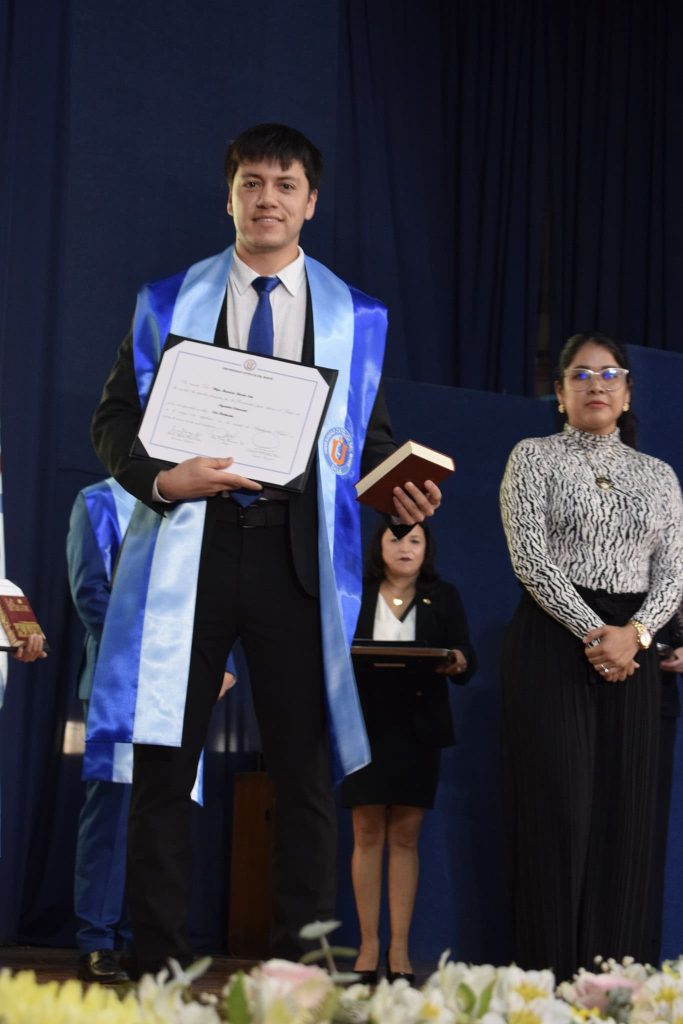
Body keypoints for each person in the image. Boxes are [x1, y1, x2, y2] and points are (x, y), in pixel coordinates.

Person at [89, 123, 441, 975]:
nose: (267, 199)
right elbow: (114, 422)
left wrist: (399, 494)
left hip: (295, 559)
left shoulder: (354, 316)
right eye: (251, 183)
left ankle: (299, 973)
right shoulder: (167, 301)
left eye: (285, 185)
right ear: (230, 197)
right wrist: (164, 479)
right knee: (163, 767)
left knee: (304, 777)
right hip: (191, 549)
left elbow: (368, 443)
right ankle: (157, 969)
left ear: (310, 202)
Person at [499, 332, 683, 981]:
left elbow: (674, 573)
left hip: (635, 650)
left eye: (609, 374)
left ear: (627, 392)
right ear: (559, 393)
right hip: (553, 643)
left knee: (627, 819)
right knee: (557, 814)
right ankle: (545, 986)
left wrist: (635, 634)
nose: (595, 385)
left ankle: (620, 986)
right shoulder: (533, 456)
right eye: (580, 374)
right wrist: (595, 632)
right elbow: (530, 559)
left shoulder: (658, 474)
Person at [341, 521, 475, 984]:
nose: (404, 547)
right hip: (365, 723)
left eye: (414, 540)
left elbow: (466, 656)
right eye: (395, 539)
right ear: (378, 546)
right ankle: (367, 946)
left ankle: (399, 948)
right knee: (365, 832)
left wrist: (458, 659)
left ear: (426, 548)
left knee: (404, 836)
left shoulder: (444, 594)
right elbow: (331, 648)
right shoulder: (356, 591)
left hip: (418, 724)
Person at [67, 477, 136, 984]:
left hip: (183, 682)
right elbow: (89, 592)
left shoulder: (195, 505)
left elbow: (211, 596)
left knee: (163, 811)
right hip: (118, 681)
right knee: (111, 812)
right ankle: (99, 938)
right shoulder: (100, 500)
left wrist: (219, 660)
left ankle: (145, 935)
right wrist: (149, 649)